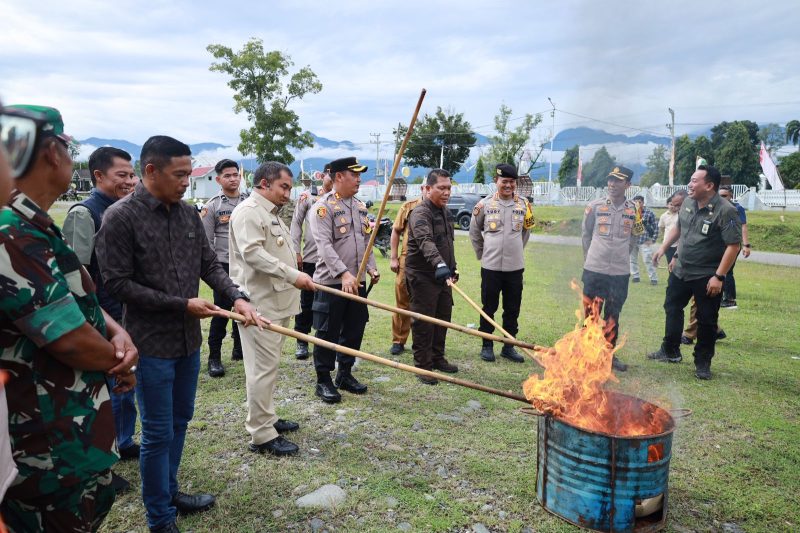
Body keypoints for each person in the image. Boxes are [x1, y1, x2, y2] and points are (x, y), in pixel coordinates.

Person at [96, 135, 259, 533]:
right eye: (180, 174)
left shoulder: (188, 215)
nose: (187, 181)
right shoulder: (120, 218)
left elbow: (210, 266)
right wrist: (180, 303)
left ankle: (169, 491)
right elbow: (116, 284)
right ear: (151, 171)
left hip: (188, 343)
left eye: (189, 173)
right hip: (149, 346)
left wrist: (237, 297)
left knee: (180, 422)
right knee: (155, 433)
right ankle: (160, 517)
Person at [0, 105, 137, 532]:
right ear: (51, 154)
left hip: (70, 424)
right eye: (68, 148)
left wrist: (119, 334)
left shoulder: (35, 225)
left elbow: (79, 298)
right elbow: (69, 338)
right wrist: (118, 358)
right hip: (46, 442)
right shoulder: (12, 231)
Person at [63, 146, 140, 493]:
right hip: (101, 315)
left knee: (125, 386)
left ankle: (123, 443)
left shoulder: (126, 211)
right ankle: (105, 463)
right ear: (98, 176)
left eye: (131, 174)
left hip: (126, 312)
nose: (130, 181)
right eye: (121, 175)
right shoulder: (86, 213)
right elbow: (75, 275)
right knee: (107, 392)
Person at [230, 161, 316, 457]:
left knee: (269, 368)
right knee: (261, 371)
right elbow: (252, 254)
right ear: (264, 184)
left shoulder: (270, 213)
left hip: (276, 302)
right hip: (260, 304)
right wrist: (294, 276)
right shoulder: (249, 212)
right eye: (284, 187)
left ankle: (267, 417)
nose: (287, 194)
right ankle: (262, 434)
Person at [648, 165, 741, 380]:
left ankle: (702, 362)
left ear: (709, 185)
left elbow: (733, 246)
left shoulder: (726, 210)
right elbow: (681, 228)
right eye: (690, 180)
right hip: (681, 270)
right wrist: (666, 251)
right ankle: (670, 350)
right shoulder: (688, 202)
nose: (690, 185)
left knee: (706, 319)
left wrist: (719, 276)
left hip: (707, 275)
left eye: (694, 181)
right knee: (672, 307)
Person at [308, 157, 379, 404]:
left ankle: (345, 374)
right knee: (326, 332)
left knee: (354, 328)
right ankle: (323, 379)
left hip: (356, 282)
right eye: (354, 175)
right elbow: (324, 245)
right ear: (339, 177)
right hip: (332, 283)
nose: (359, 179)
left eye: (359, 175)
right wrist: (343, 273)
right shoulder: (322, 208)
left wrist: (371, 267)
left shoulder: (360, 206)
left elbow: (366, 241)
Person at [469, 163, 535, 363]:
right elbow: (474, 231)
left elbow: (526, 231)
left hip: (515, 268)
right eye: (504, 181)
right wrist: (483, 254)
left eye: (512, 182)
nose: (508, 185)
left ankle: (509, 345)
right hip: (490, 267)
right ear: (496, 182)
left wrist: (516, 251)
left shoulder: (524, 205)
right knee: (489, 306)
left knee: (512, 308)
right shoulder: (484, 205)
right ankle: (487, 344)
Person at [581, 166, 641, 372]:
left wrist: (622, 254)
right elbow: (586, 235)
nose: (612, 184)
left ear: (628, 185)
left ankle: (608, 356)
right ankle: (587, 355)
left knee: (613, 316)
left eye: (618, 181)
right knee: (591, 315)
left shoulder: (634, 210)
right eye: (610, 180)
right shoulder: (594, 206)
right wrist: (591, 258)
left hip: (619, 273)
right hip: (594, 269)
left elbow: (634, 237)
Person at [405, 169, 459, 384]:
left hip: (442, 276)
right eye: (441, 188)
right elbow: (426, 242)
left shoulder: (445, 212)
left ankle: (437, 358)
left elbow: (447, 244)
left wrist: (452, 268)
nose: (446, 193)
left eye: (449, 188)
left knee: (442, 318)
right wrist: (440, 264)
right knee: (424, 321)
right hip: (423, 277)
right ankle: (423, 366)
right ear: (427, 189)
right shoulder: (420, 213)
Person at [201, 159, 248, 377]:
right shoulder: (213, 207)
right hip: (223, 266)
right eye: (227, 175)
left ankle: (240, 350)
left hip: (246, 265)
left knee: (246, 306)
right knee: (221, 312)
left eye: (235, 174)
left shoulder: (248, 202)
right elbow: (206, 243)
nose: (233, 179)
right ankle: (214, 357)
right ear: (218, 179)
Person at [290, 166, 332, 359]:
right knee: (306, 303)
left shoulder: (341, 198)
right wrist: (296, 251)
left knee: (329, 303)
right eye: (329, 173)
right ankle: (302, 340)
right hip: (310, 258)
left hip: (332, 261)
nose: (331, 177)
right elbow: (296, 223)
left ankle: (326, 341)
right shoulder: (308, 196)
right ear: (322, 175)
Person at [388, 187, 428, 356]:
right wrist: (394, 257)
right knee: (402, 301)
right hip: (407, 259)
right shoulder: (409, 207)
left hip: (429, 262)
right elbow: (396, 231)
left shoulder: (441, 209)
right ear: (424, 189)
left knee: (426, 303)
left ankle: (422, 342)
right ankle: (398, 340)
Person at [718, 185, 750, 309]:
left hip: (732, 244)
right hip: (718, 244)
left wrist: (746, 245)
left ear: (731, 195)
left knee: (728, 270)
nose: (722, 198)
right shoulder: (715, 207)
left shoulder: (737, 208)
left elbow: (743, 226)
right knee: (719, 269)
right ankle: (720, 296)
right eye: (719, 196)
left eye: (724, 196)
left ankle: (730, 300)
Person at [629, 194, 659, 285]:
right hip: (632, 240)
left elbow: (655, 227)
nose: (638, 203)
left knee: (647, 259)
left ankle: (653, 278)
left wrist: (653, 240)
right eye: (636, 202)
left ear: (643, 202)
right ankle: (635, 276)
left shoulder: (649, 213)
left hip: (644, 240)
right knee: (632, 260)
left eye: (639, 202)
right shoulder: (629, 212)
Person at [658, 190, 687, 265]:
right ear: (667, 205)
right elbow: (662, 228)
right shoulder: (664, 216)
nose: (675, 207)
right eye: (672, 204)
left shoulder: (684, 214)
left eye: (678, 205)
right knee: (670, 265)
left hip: (681, 246)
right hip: (669, 244)